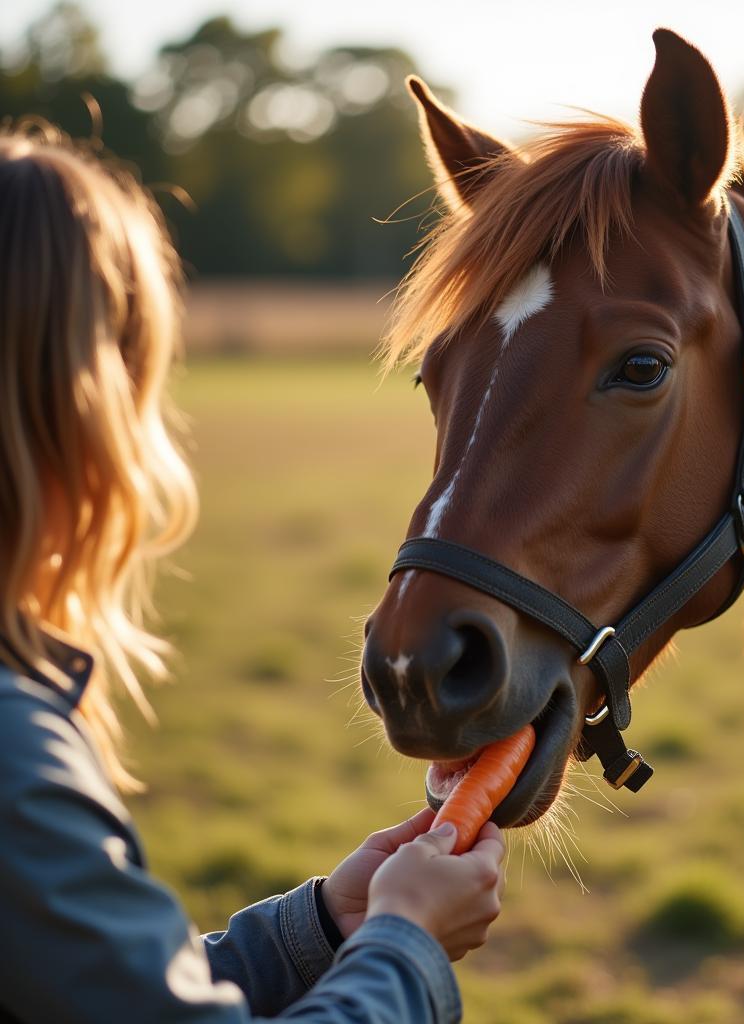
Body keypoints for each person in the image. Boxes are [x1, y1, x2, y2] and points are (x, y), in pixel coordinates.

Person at [0, 123, 505, 1023]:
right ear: (86, 410)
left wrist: (315, 930)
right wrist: (406, 944)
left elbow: (96, 993)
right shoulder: (11, 761)